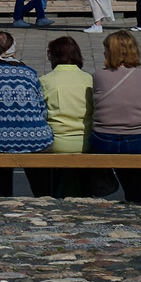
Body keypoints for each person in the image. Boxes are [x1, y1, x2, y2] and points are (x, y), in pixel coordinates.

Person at [0, 29, 53, 196]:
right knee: (38, 175)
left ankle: (5, 197)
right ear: (14, 50)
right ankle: (42, 197)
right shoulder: (30, 73)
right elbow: (42, 108)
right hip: (37, 138)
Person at [90, 29, 141, 204]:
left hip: (103, 139)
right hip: (137, 139)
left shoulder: (99, 76)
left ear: (111, 52)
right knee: (135, 189)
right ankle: (135, 200)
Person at [43, 35, 95, 198]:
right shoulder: (89, 79)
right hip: (86, 140)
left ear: (52, 55)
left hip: (57, 141)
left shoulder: (45, 81)